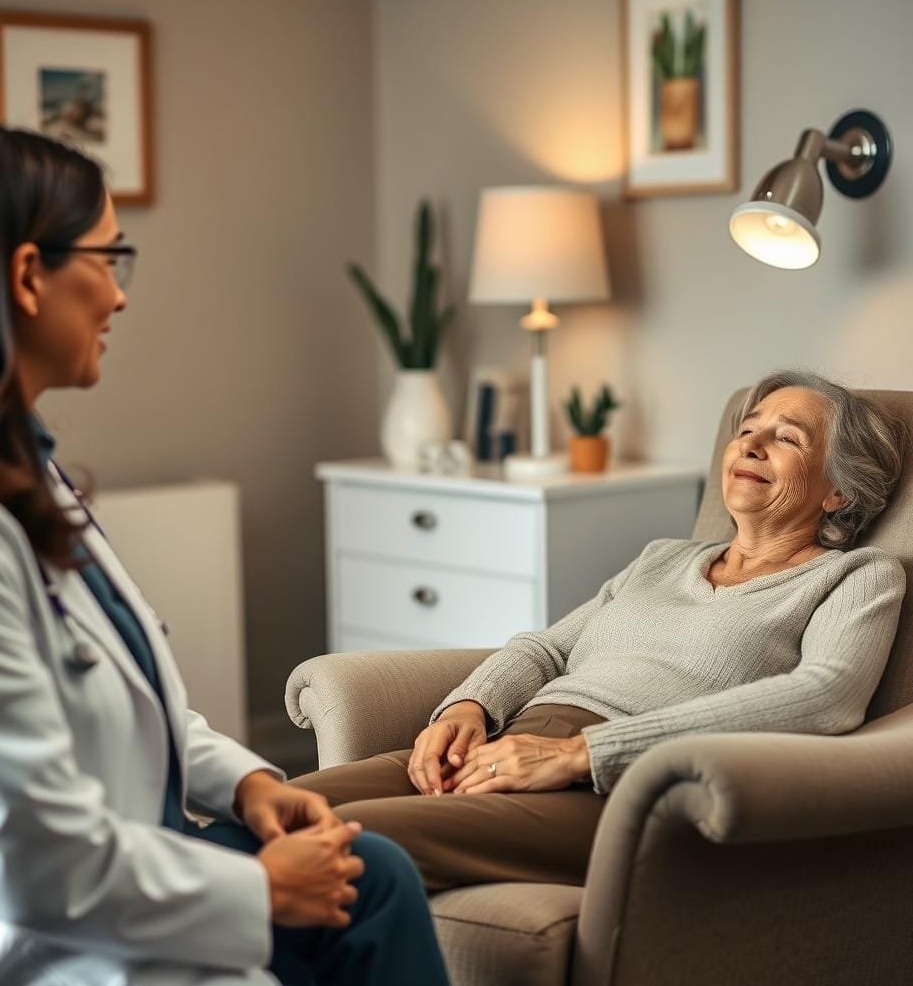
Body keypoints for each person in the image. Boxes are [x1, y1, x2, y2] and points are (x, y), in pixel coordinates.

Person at [0, 115, 456, 986]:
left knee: (373, 872)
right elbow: (31, 859)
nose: (119, 296)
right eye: (109, 259)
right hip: (31, 954)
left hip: (118, 877)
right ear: (29, 275)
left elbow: (129, 695)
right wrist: (263, 891)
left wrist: (253, 783)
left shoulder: (16, 463)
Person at [293, 370, 907, 892]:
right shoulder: (663, 557)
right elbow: (549, 648)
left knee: (352, 845)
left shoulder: (859, 574)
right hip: (507, 746)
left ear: (837, 490)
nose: (751, 445)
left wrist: (575, 755)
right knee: (274, 812)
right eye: (746, 431)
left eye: (786, 438)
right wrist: (468, 708)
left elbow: (828, 694)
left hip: (613, 788)